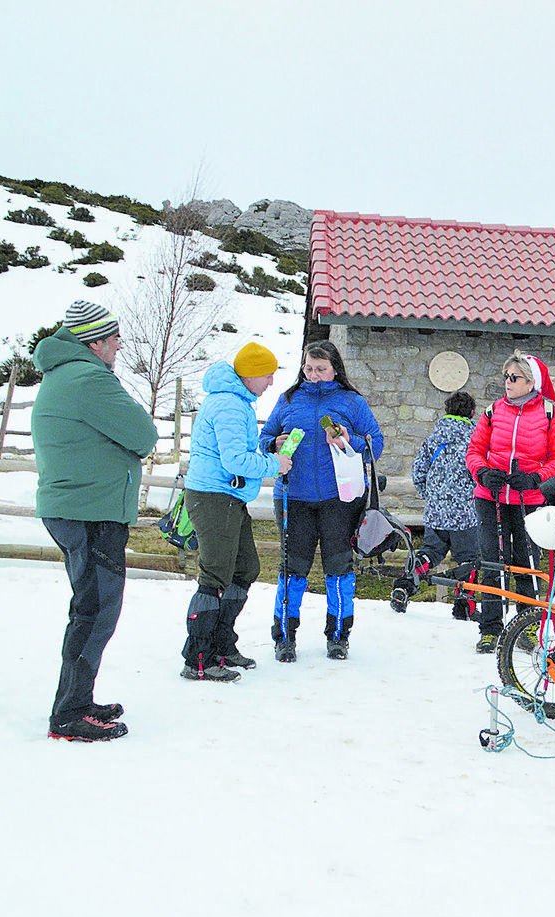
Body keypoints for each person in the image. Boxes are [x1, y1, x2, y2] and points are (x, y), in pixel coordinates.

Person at [31, 299, 159, 741]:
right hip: (90, 512)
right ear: (96, 342)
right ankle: (69, 714)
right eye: (115, 340)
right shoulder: (88, 379)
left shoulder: (63, 373)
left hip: (77, 507)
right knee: (96, 610)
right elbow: (144, 434)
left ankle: (79, 700)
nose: (119, 347)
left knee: (88, 607)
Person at [259, 340, 384, 661]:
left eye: (320, 369)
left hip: (339, 499)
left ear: (334, 369)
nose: (313, 374)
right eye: (308, 368)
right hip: (292, 497)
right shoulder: (288, 399)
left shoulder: (352, 402)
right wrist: (275, 442)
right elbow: (263, 440)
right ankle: (284, 638)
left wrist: (348, 438)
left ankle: (339, 637)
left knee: (339, 568)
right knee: (292, 570)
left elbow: (375, 445)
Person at [181, 342, 292, 681]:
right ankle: (198, 658)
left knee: (245, 568)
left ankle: (221, 644)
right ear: (251, 374)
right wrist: (275, 463)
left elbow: (237, 450)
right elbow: (233, 461)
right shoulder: (229, 404)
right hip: (214, 496)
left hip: (228, 496)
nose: (271, 383)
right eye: (268, 376)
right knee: (215, 575)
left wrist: (268, 447)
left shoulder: (236, 401)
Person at [466, 354, 555, 654]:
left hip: (529, 501)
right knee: (492, 564)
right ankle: (490, 629)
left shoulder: (551, 415)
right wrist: (483, 473)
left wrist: (536, 478)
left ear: (530, 381)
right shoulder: (492, 411)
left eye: (514, 377)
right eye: (506, 376)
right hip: (491, 498)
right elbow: (474, 450)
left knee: (526, 566)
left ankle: (526, 628)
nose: (507, 383)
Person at [406, 391, 479, 618]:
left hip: (436, 512)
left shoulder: (434, 437)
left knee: (429, 552)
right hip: (466, 513)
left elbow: (418, 471)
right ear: (472, 412)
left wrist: (430, 496)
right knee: (469, 560)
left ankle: (405, 585)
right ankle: (464, 605)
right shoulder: (475, 439)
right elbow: (479, 474)